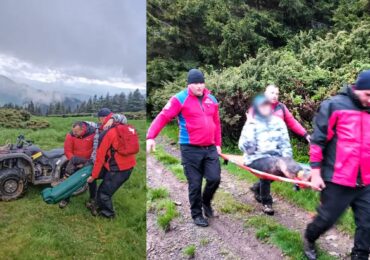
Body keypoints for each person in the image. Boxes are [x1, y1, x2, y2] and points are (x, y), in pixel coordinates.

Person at [303, 70, 370, 260]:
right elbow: (318, 141)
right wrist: (315, 173)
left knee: (367, 224)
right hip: (337, 178)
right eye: (368, 95)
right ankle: (309, 237)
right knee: (326, 219)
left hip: (365, 181)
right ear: (357, 89)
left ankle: (360, 256)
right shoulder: (334, 106)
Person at [147, 68, 222, 227]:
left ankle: (206, 202)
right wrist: (151, 136)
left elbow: (216, 123)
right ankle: (196, 214)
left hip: (209, 148)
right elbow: (163, 116)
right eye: (195, 83)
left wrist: (218, 144)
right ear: (189, 84)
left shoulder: (212, 99)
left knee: (214, 178)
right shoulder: (179, 99)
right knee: (195, 184)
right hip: (190, 149)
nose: (199, 86)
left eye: (201, 82)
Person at [239, 95, 306, 215]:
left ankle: (304, 175)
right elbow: (245, 148)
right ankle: (266, 201)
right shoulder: (252, 123)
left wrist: (287, 159)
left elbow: (285, 145)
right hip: (256, 158)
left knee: (286, 163)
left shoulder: (278, 123)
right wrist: (249, 125)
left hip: (276, 159)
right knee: (277, 164)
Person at [249, 84, 310, 203]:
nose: (275, 96)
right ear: (265, 93)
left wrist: (305, 134)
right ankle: (267, 201)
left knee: (281, 169)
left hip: (279, 147)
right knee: (267, 170)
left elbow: (292, 122)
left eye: (277, 94)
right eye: (272, 93)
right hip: (263, 147)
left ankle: (257, 188)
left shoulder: (281, 107)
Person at [59, 111, 126, 209]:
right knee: (70, 180)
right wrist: (75, 160)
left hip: (89, 162)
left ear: (83, 129)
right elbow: (68, 151)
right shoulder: (70, 135)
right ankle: (65, 198)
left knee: (92, 180)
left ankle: (92, 198)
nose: (74, 134)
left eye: (76, 132)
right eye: (73, 131)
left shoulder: (95, 131)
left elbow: (123, 119)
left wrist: (112, 119)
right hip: (74, 161)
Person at [86, 109, 136, 219]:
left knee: (103, 193)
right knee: (104, 188)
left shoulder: (107, 134)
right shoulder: (124, 127)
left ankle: (108, 215)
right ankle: (98, 205)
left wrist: (93, 176)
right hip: (127, 165)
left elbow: (100, 158)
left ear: (103, 118)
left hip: (119, 169)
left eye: (100, 118)